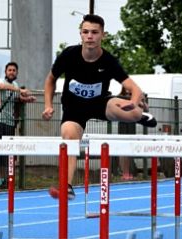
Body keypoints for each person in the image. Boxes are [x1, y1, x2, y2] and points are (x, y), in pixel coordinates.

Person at [42, 14, 157, 199]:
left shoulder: (109, 61)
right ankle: (67, 187)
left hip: (100, 104)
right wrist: (48, 105)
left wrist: (134, 102)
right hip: (74, 109)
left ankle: (142, 115)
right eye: (85, 32)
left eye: (94, 32)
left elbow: (135, 88)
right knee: (69, 137)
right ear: (80, 34)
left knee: (134, 112)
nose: (89, 36)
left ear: (102, 35)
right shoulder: (69, 55)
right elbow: (50, 80)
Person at [0, 62, 36, 188]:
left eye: (14, 70)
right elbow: (1, 87)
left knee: (8, 151)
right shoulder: (0, 81)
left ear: (17, 72)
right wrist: (19, 90)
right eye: (9, 70)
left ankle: (4, 179)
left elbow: (17, 98)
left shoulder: (15, 85)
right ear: (5, 72)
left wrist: (27, 99)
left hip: (10, 122)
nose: (11, 72)